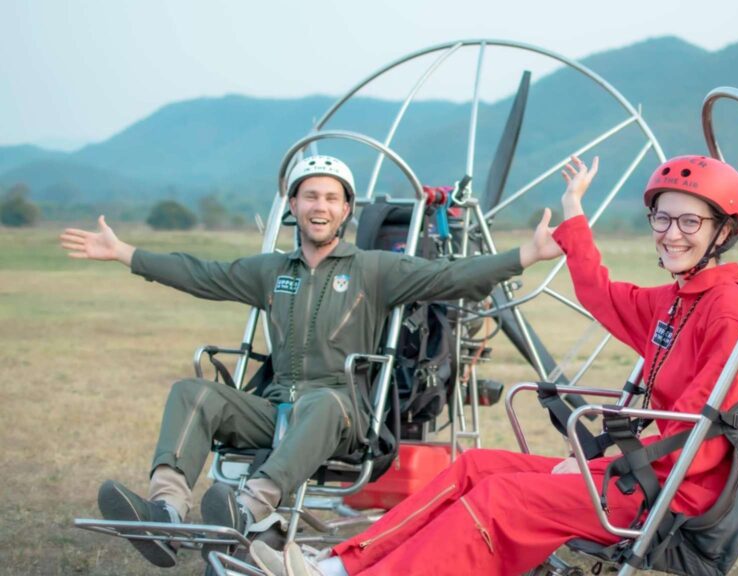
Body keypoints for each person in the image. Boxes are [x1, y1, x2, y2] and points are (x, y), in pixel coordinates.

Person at [250, 154, 738, 576]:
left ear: (723, 232)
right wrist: (574, 212)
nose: (672, 233)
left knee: (503, 497)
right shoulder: (677, 301)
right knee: (476, 466)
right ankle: (338, 566)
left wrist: (604, 467)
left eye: (690, 221)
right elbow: (601, 293)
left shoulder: (727, 313)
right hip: (640, 476)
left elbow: (700, 436)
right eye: (662, 217)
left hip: (674, 494)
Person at [59, 154, 556, 568]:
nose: (320, 206)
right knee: (193, 392)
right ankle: (166, 513)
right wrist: (125, 252)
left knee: (321, 401)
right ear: (293, 205)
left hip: (344, 417)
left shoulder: (375, 269)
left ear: (346, 210)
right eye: (310, 196)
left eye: (331, 198)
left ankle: (248, 507)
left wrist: (526, 254)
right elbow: (199, 274)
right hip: (276, 408)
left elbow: (452, 277)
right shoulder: (272, 270)